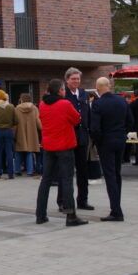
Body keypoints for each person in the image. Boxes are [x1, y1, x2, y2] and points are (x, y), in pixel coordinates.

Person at [36, 79, 88, 227]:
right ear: (60, 91)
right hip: (64, 145)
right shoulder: (65, 104)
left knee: (46, 180)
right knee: (66, 180)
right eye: (64, 89)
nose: (65, 91)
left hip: (48, 146)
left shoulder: (42, 104)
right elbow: (77, 119)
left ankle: (40, 214)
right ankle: (70, 216)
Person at [91, 77, 135, 221]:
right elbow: (130, 121)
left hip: (106, 142)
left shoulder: (98, 104)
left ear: (98, 88)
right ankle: (117, 205)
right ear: (109, 86)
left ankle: (116, 211)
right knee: (117, 173)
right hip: (120, 140)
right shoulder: (122, 101)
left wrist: (98, 142)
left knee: (109, 175)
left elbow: (95, 128)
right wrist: (122, 134)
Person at [64, 67, 94, 211]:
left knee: (83, 170)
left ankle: (83, 200)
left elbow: (88, 113)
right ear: (67, 80)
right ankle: (64, 201)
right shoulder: (64, 94)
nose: (76, 81)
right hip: (68, 136)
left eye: (78, 79)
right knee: (67, 171)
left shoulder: (83, 94)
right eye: (73, 79)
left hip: (82, 137)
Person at [0, 89, 18, 179]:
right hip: (8, 131)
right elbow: (16, 121)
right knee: (9, 152)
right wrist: (10, 125)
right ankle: (10, 173)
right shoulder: (11, 107)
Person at [15, 93, 42, 178]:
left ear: (22, 99)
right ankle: (30, 171)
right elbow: (38, 121)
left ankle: (17, 170)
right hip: (32, 132)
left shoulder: (17, 108)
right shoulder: (34, 108)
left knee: (18, 151)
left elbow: (15, 122)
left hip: (20, 132)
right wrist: (42, 128)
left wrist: (14, 132)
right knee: (29, 151)